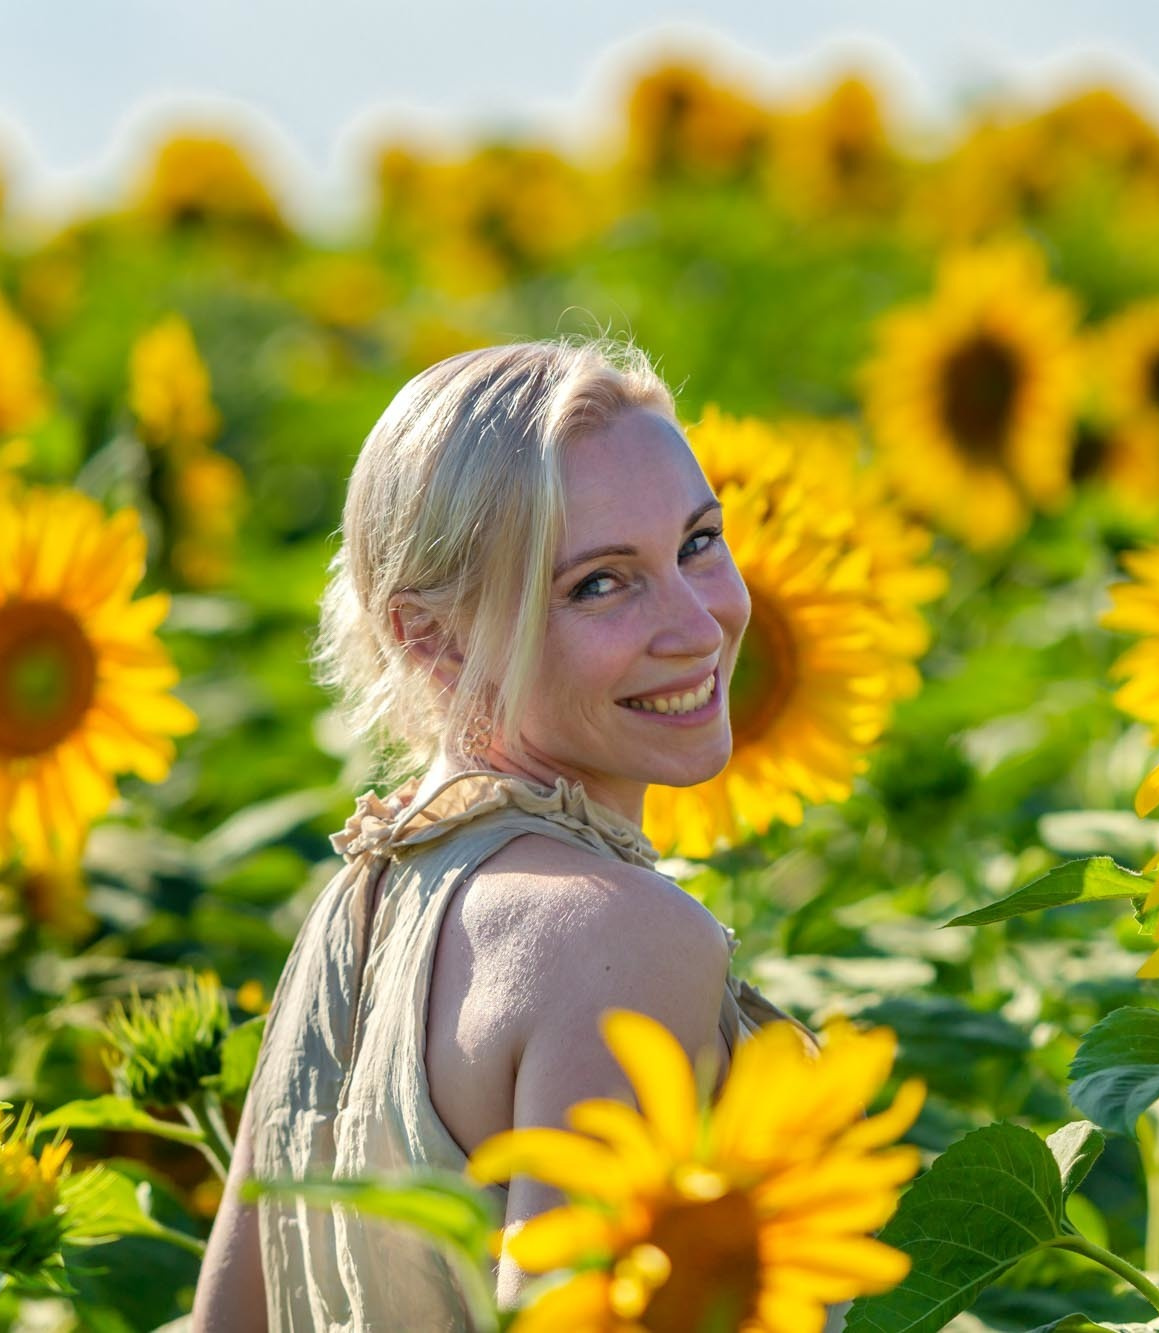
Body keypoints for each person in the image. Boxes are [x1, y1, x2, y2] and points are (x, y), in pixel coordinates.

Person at [192, 339, 831, 1331]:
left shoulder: (362, 897)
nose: (699, 628)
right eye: (600, 584)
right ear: (430, 639)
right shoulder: (617, 935)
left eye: (697, 542)